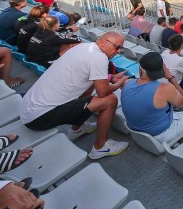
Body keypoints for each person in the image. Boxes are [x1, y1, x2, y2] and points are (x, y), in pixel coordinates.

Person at [20, 32, 130, 160]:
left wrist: (109, 77)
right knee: (110, 100)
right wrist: (120, 83)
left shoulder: (83, 47)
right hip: (38, 118)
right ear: (105, 42)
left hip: (29, 109)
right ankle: (101, 147)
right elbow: (103, 92)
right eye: (117, 47)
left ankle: (77, 128)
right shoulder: (99, 58)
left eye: (121, 48)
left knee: (92, 83)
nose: (119, 51)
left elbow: (90, 76)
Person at [121, 52, 183, 143]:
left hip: (136, 130)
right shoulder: (165, 88)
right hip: (161, 135)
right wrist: (171, 78)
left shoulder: (127, 83)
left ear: (140, 70)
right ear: (163, 70)